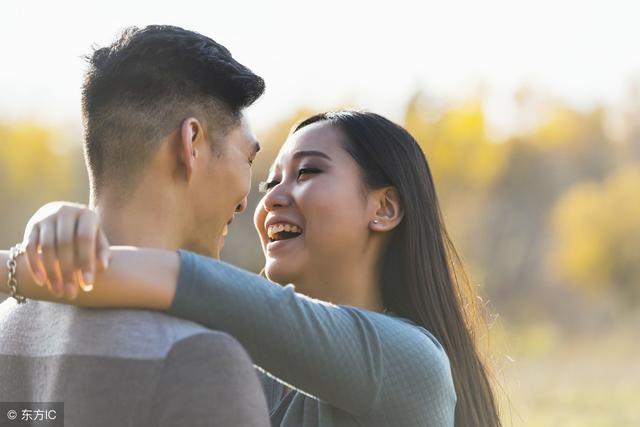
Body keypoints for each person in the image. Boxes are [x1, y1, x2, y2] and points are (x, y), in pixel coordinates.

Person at [3, 110, 503, 426]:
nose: (272, 200)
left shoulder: (410, 362)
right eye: (268, 184)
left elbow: (192, 283)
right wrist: (56, 221)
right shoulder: (241, 363)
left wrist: (12, 269)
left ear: (384, 209)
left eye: (307, 172)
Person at [0, 25, 272, 427]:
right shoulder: (200, 359)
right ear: (192, 143)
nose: (248, 200)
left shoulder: (7, 327)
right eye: (248, 159)